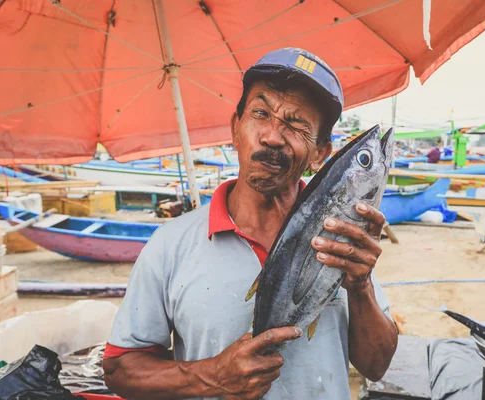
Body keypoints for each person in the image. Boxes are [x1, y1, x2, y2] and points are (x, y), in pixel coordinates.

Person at [102, 48, 398, 400]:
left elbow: (376, 365)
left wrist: (361, 285)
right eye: (261, 113)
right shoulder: (170, 244)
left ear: (320, 153)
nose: (273, 136)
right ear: (235, 128)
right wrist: (208, 376)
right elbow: (119, 370)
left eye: (297, 124)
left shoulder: (339, 240)